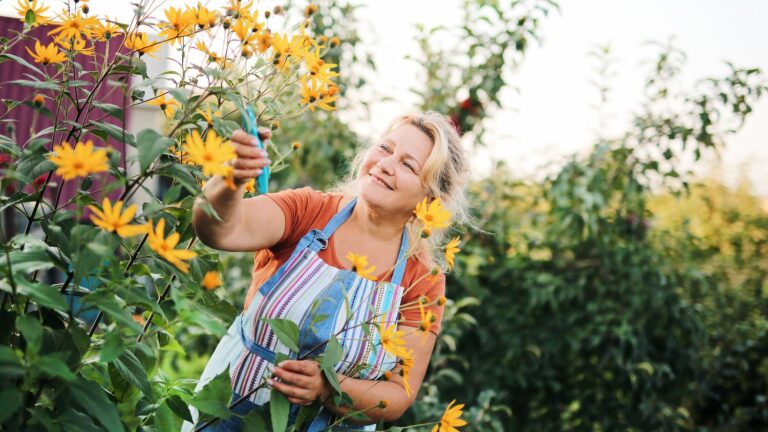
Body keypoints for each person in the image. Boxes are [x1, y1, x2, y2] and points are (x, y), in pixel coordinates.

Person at [185, 111, 470, 431]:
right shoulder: (309, 211)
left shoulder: (421, 279)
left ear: (431, 198)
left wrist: (328, 388)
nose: (386, 164)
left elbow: (398, 394)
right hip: (231, 411)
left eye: (408, 165)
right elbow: (220, 230)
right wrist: (231, 179)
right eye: (385, 149)